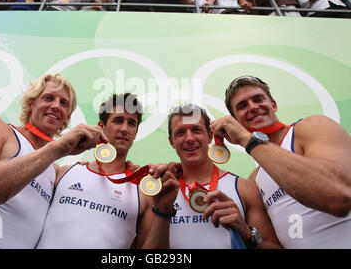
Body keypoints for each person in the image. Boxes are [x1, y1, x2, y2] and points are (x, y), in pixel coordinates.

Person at [0, 73, 108, 249]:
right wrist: (57, 148)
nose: (55, 106)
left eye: (63, 103)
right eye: (48, 98)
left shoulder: (54, 169)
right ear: (30, 104)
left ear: (67, 117)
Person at [210, 75, 351, 248]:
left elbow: (339, 199)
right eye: (242, 106)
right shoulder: (255, 178)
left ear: (274, 105)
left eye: (258, 99)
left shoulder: (312, 127)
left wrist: (248, 139)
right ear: (236, 121)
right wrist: (247, 234)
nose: (253, 107)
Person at [36, 93, 179, 248]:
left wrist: (164, 210)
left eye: (131, 123)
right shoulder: (62, 173)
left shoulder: (143, 193)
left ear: (136, 133)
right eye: (118, 121)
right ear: (101, 127)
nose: (124, 129)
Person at [166, 104, 281, 249]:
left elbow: (274, 245)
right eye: (180, 133)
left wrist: (246, 233)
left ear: (209, 136)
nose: (189, 138)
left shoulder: (244, 188)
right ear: (172, 142)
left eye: (196, 130)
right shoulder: (164, 191)